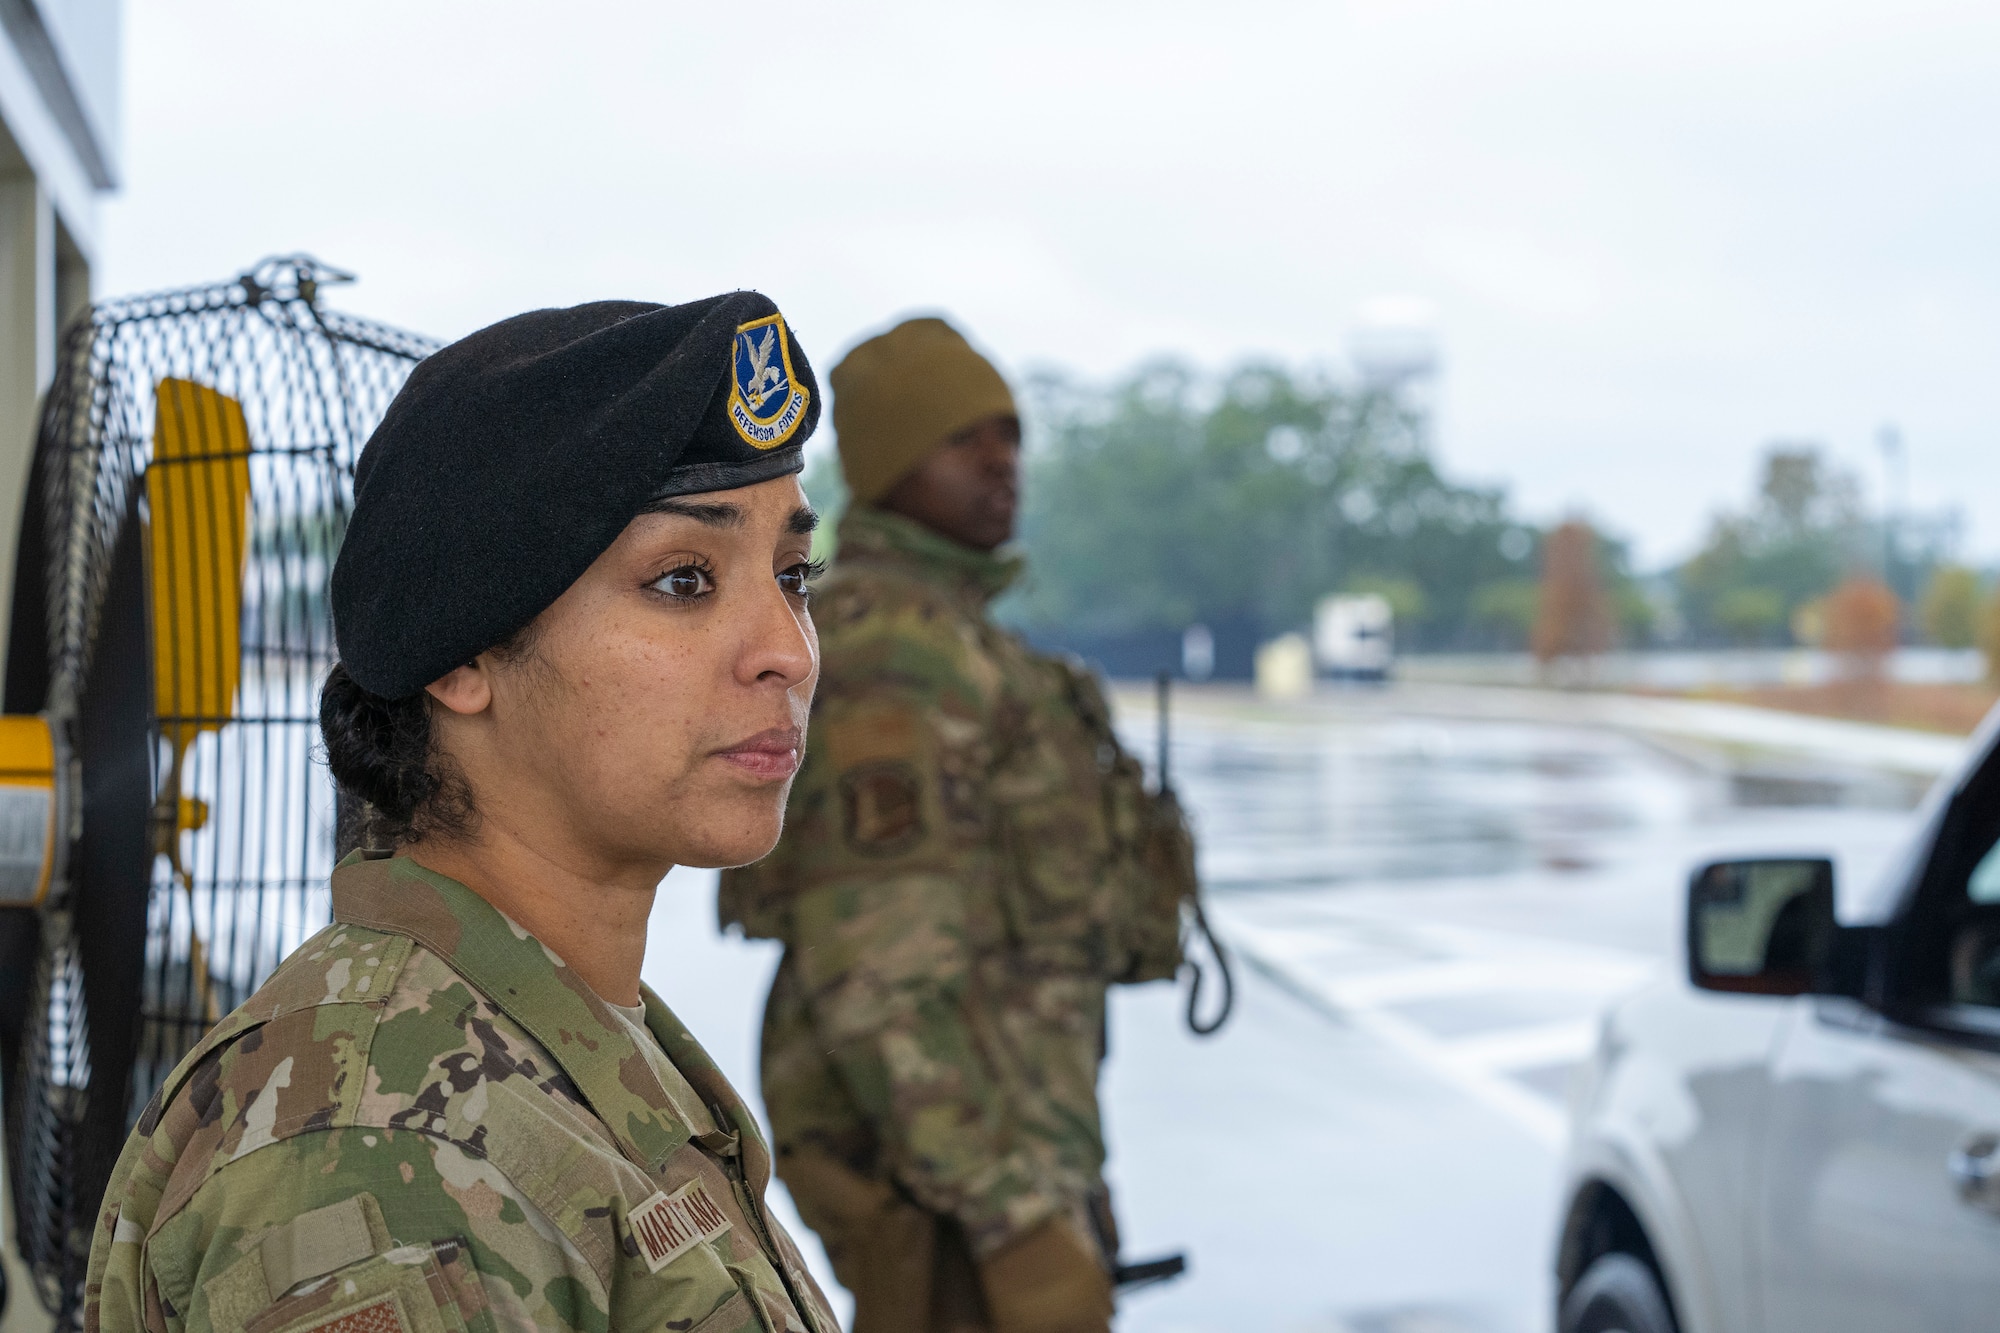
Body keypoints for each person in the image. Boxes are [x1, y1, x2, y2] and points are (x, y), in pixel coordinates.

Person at [85, 295, 843, 1333]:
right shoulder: (383, 1153)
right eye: (681, 580)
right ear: (461, 656)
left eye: (793, 576)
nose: (788, 652)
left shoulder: (562, 1041)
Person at [720, 317, 1197, 1333]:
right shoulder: (895, 649)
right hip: (940, 1188)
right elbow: (876, 971)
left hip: (1004, 1155)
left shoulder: (964, 641)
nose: (1000, 462)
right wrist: (1013, 1219)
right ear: (887, 465)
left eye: (1009, 435)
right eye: (961, 438)